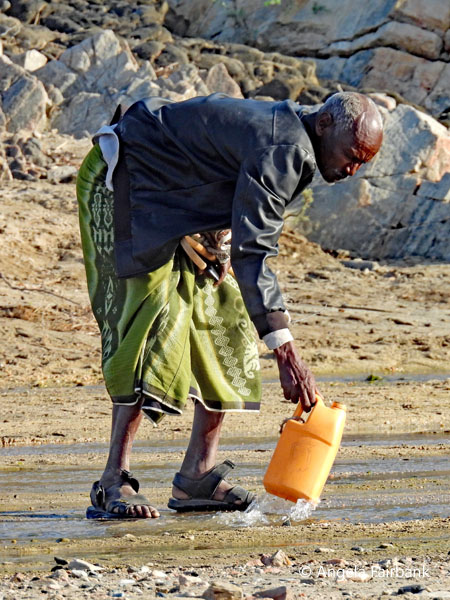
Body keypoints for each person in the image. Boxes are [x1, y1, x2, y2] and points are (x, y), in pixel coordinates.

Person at [76, 91, 383, 518]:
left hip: (177, 205)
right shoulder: (286, 146)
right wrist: (286, 352)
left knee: (228, 322)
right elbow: (254, 251)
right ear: (325, 125)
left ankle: (196, 476)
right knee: (150, 322)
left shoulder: (295, 142)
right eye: (352, 156)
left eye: (363, 163)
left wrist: (213, 237)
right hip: (127, 183)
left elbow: (228, 183)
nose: (353, 170)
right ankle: (114, 478)